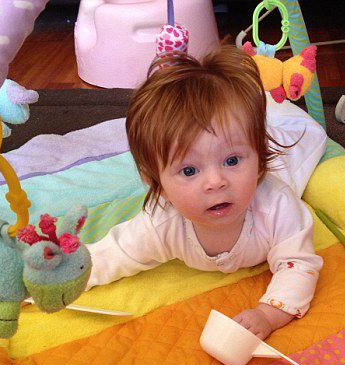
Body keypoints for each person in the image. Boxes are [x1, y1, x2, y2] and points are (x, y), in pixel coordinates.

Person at [86, 45, 325, 340]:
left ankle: (273, 109)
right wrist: (62, 278)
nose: (215, 182)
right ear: (156, 184)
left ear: (259, 162)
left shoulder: (276, 205)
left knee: (309, 137)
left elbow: (299, 263)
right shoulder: (162, 224)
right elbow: (114, 253)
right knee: (232, 134)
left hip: (289, 146)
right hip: (247, 139)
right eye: (189, 171)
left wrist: (268, 314)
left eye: (232, 161)